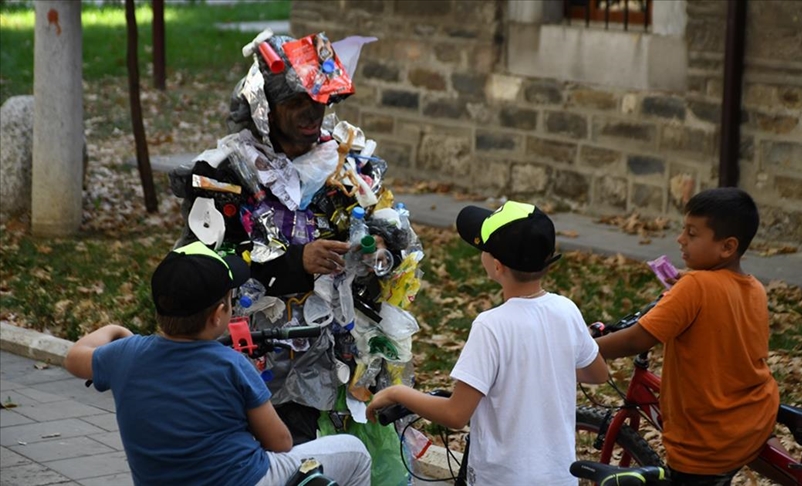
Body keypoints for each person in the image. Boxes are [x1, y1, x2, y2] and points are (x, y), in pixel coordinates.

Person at [169, 30, 424, 484]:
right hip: (258, 360)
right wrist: (296, 262)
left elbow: (393, 234)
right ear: (265, 106)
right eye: (297, 102)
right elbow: (207, 263)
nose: (313, 113)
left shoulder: (347, 160)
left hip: (339, 356)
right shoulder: (227, 171)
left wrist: (381, 247)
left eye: (321, 101)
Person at [64, 241, 371, 486]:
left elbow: (75, 358)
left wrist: (117, 331)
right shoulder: (230, 365)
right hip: (245, 479)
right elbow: (280, 442)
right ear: (218, 315)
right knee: (354, 453)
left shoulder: (126, 355)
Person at [366, 200, 609, 485]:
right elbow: (598, 373)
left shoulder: (491, 325)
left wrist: (396, 392)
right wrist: (543, 365)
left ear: (496, 266)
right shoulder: (566, 310)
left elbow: (456, 414)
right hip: (559, 477)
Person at [595, 187, 780, 485]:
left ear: (727, 247)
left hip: (705, 442)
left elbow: (637, 340)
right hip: (753, 418)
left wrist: (583, 348)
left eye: (692, 234)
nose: (680, 239)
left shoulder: (694, 287)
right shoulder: (754, 287)